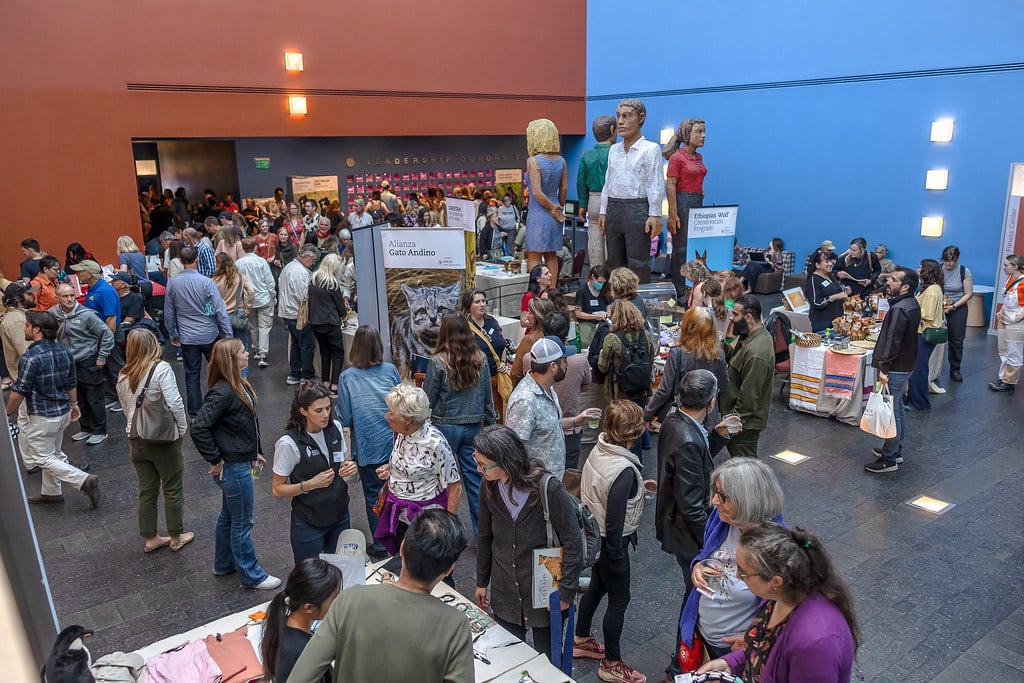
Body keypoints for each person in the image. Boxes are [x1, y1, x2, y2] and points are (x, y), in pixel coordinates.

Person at [289, 510, 473, 681]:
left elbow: (300, 677)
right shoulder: (455, 625)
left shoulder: (350, 599)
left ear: (401, 549)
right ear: (449, 569)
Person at [473, 424, 583, 662]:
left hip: (544, 592)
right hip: (505, 593)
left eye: (483, 464)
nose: (478, 469)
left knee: (549, 661)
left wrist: (565, 592)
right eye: (477, 461)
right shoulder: (487, 486)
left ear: (505, 461)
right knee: (509, 660)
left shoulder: (547, 488)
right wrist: (482, 581)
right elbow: (484, 536)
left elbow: (574, 542)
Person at [699, 523, 858, 683]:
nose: (738, 576)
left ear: (775, 581)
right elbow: (763, 650)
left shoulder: (815, 644)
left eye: (743, 571)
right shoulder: (782, 593)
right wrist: (730, 664)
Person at [655, 369, 733, 680]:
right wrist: (712, 544)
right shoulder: (688, 438)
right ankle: (682, 667)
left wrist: (718, 437)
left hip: (679, 528)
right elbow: (692, 506)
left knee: (696, 598)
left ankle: (684, 664)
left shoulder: (675, 421)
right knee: (697, 600)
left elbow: (693, 466)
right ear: (711, 402)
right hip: (690, 537)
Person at [190, 338, 279, 589]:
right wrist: (215, 459)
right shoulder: (224, 391)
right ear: (231, 359)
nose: (247, 353)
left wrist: (255, 451)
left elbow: (244, 424)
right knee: (242, 522)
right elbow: (199, 428)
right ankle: (252, 575)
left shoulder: (235, 385)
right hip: (234, 467)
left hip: (239, 462)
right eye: (242, 351)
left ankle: (224, 563)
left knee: (228, 516)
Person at [679, 458, 785, 666]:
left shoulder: (778, 549)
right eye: (715, 492)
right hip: (703, 634)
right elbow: (705, 553)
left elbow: (780, 616)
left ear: (747, 501)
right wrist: (698, 566)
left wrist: (754, 639)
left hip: (737, 649)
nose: (714, 501)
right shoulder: (721, 519)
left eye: (723, 496)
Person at [574, 400, 647, 683]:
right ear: (632, 433)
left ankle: (580, 638)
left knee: (597, 586)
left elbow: (600, 490)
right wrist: (616, 556)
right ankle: (612, 664)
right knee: (619, 599)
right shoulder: (625, 470)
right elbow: (615, 521)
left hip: (594, 537)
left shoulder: (600, 448)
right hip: (611, 543)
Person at [5, 311, 100, 507]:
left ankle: (82, 480)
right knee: (54, 452)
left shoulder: (30, 357)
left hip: (42, 416)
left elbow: (19, 391)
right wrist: (74, 405)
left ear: (37, 329)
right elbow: (71, 382)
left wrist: (5, 412)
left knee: (42, 457)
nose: (25, 328)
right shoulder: (64, 351)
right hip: (63, 411)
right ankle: (51, 492)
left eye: (27, 325)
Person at [116, 328, 192, 554]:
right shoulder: (161, 368)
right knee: (172, 487)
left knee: (146, 490)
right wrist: (181, 427)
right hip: (161, 439)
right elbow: (175, 402)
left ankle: (150, 537)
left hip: (135, 438)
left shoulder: (122, 374)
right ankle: (176, 536)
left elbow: (126, 408)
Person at [424, 314, 497, 535]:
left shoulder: (437, 361)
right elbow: (487, 395)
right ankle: (482, 535)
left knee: (440, 484)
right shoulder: (480, 358)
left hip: (444, 427)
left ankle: (441, 534)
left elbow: (428, 398)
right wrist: (491, 423)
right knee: (476, 485)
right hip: (474, 426)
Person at [273, 381, 357, 564]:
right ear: (303, 411)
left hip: (340, 515)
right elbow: (277, 489)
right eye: (318, 410)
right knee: (310, 579)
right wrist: (309, 485)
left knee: (342, 568)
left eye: (328, 408)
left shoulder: (335, 427)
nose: (326, 414)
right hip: (309, 521)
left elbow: (341, 465)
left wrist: (347, 469)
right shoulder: (288, 444)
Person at [373, 383, 463, 555]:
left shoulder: (435, 443)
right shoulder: (400, 433)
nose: (386, 416)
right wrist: (391, 469)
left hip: (426, 522)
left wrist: (449, 530)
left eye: (391, 413)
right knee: (403, 563)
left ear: (408, 419)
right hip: (400, 516)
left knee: (429, 569)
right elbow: (411, 465)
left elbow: (455, 488)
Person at [336, 326, 400, 560]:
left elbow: (345, 416)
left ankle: (382, 545)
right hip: (393, 443)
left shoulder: (347, 378)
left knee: (374, 495)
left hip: (367, 445)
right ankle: (398, 536)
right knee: (396, 491)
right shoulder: (391, 370)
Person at [506, 336, 599, 482]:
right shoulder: (525, 401)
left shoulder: (547, 388)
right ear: (553, 367)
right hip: (537, 487)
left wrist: (576, 420)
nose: (567, 365)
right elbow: (513, 451)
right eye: (564, 361)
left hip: (551, 482)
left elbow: (548, 426)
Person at [600, 98, 665, 285]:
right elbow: (608, 182)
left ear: (641, 118)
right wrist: (603, 210)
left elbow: (655, 183)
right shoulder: (614, 150)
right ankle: (615, 301)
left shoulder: (650, 149)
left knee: (638, 261)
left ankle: (638, 301)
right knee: (613, 260)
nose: (620, 122)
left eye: (627, 116)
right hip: (613, 206)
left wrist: (655, 214)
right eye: (618, 116)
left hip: (637, 209)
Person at [163, 246, 232, 417]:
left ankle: (195, 413)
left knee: (192, 376)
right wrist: (228, 335)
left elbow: (169, 311)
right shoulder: (207, 282)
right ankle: (220, 406)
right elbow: (219, 310)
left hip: (187, 336)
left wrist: (173, 333)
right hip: (209, 333)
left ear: (180, 261)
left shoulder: (172, 283)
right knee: (218, 372)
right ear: (197, 260)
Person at [864, 267, 920, 473]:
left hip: (895, 368)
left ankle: (889, 458)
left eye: (894, 280)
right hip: (905, 365)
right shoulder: (911, 303)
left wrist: (884, 369)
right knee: (896, 410)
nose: (888, 282)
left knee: (890, 412)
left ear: (905, 286)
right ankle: (895, 449)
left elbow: (892, 342)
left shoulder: (899, 309)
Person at [51, 283, 114, 447]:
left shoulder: (86, 315)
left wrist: (102, 356)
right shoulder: (52, 315)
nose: (70, 299)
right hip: (67, 363)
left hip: (87, 360)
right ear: (57, 297)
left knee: (94, 397)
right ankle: (86, 427)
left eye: (72, 295)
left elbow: (106, 334)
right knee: (77, 398)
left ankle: (100, 430)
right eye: (65, 296)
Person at [644, 306, 728, 426]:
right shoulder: (719, 354)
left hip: (684, 417)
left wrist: (647, 414)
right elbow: (723, 385)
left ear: (688, 327)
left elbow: (664, 390)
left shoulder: (677, 353)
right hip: (709, 417)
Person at [261, 558, 341, 683]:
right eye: (334, 598)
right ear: (308, 607)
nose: (338, 601)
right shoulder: (307, 652)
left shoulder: (280, 624)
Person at [719, 295, 775, 458]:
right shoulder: (750, 336)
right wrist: (721, 344)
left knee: (746, 468)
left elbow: (749, 399)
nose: (731, 317)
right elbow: (735, 360)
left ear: (748, 317)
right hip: (740, 421)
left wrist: (730, 422)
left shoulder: (756, 353)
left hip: (744, 426)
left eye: (735, 314)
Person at [663, 118, 707, 297]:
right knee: (681, 249)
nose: (703, 135)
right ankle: (679, 288)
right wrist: (673, 214)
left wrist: (699, 191)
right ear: (687, 134)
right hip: (682, 203)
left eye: (704, 131)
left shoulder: (699, 157)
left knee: (694, 248)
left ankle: (692, 286)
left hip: (696, 203)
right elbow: (671, 185)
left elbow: (696, 176)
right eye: (699, 132)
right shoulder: (677, 158)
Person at [522, 119, 568, 278]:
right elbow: (564, 189)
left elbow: (537, 192)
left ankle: (537, 291)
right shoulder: (561, 160)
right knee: (551, 255)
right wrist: (559, 207)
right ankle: (552, 289)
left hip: (538, 212)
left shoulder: (533, 161)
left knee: (534, 255)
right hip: (554, 212)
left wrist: (551, 208)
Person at [597, 300, 655, 412]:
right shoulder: (646, 335)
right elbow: (650, 360)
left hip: (620, 392)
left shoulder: (612, 338)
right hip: (642, 389)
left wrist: (601, 354)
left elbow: (603, 367)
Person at [577, 114, 616, 268]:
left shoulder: (586, 155)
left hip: (593, 200)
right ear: (613, 130)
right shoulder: (616, 153)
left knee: (594, 238)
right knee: (611, 241)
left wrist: (582, 204)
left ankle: (595, 275)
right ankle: (610, 279)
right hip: (611, 200)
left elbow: (581, 181)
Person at [906, 259, 944, 411]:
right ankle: (915, 399)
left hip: (924, 332)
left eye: (920, 267)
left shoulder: (933, 290)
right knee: (918, 367)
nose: (918, 268)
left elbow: (927, 313)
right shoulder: (927, 288)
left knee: (918, 369)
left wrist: (909, 310)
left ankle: (919, 402)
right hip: (921, 331)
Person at [307, 253, 347, 394]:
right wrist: (344, 313)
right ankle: (334, 385)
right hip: (330, 322)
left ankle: (325, 382)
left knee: (325, 352)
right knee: (337, 353)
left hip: (316, 322)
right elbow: (339, 305)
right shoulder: (332, 283)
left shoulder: (313, 279)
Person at [279, 244, 319, 384]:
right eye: (313, 259)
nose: (313, 263)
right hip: (298, 313)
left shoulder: (289, 267)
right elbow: (303, 296)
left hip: (288, 312)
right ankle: (307, 375)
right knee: (306, 345)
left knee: (296, 344)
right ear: (306, 257)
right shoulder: (300, 272)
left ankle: (295, 373)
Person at [235, 237, 276, 369]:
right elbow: (269, 280)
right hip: (263, 297)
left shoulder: (238, 263)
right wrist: (273, 296)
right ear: (255, 247)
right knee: (265, 326)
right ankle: (263, 354)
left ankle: (257, 349)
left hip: (248, 299)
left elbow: (238, 283)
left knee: (252, 325)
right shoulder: (261, 261)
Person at [936, 245, 972, 385]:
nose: (948, 264)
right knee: (934, 337)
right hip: (939, 307)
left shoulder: (964, 271)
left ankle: (955, 369)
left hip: (957, 307)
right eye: (946, 261)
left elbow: (968, 293)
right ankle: (933, 370)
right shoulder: (938, 270)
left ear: (957, 259)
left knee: (956, 340)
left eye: (951, 261)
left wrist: (953, 306)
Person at [990, 254, 1024, 393]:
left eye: (1006, 265)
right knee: (1003, 350)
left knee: (1014, 351)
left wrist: (1018, 318)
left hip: (1016, 320)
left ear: (1015, 266)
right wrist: (1002, 312)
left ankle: (1009, 382)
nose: (1004, 268)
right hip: (1005, 316)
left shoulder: (1022, 283)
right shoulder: (1010, 278)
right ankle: (1003, 378)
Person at [212, 253, 254, 357]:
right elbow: (251, 292)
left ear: (219, 264)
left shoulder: (214, 281)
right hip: (239, 313)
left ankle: (230, 371)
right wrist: (248, 309)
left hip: (223, 316)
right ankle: (243, 372)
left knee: (227, 348)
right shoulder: (241, 277)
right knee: (242, 345)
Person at [511, 297, 556, 383]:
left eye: (530, 313)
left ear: (538, 316)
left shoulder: (529, 339)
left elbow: (515, 372)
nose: (527, 315)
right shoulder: (556, 335)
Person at [70, 260, 120, 331]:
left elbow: (111, 319)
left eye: (80, 272)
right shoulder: (92, 289)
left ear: (89, 274)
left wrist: (107, 340)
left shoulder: (105, 291)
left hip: (106, 335)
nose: (77, 274)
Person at [807, 250, 849, 333]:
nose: (830, 264)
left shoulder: (830, 275)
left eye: (830, 261)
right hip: (822, 322)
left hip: (837, 319)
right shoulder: (813, 279)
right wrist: (836, 296)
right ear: (817, 265)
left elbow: (834, 291)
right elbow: (816, 303)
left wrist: (845, 292)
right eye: (826, 262)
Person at [576, 265, 610, 348]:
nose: (601, 284)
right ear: (593, 277)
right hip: (587, 322)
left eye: (603, 282)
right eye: (599, 282)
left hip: (603, 322)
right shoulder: (582, 291)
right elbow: (578, 313)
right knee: (585, 342)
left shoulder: (606, 289)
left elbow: (610, 309)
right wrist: (594, 317)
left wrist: (606, 315)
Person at [522, 263, 553, 328]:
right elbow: (523, 321)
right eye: (546, 274)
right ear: (538, 279)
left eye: (549, 272)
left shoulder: (552, 291)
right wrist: (542, 325)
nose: (550, 275)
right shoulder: (529, 296)